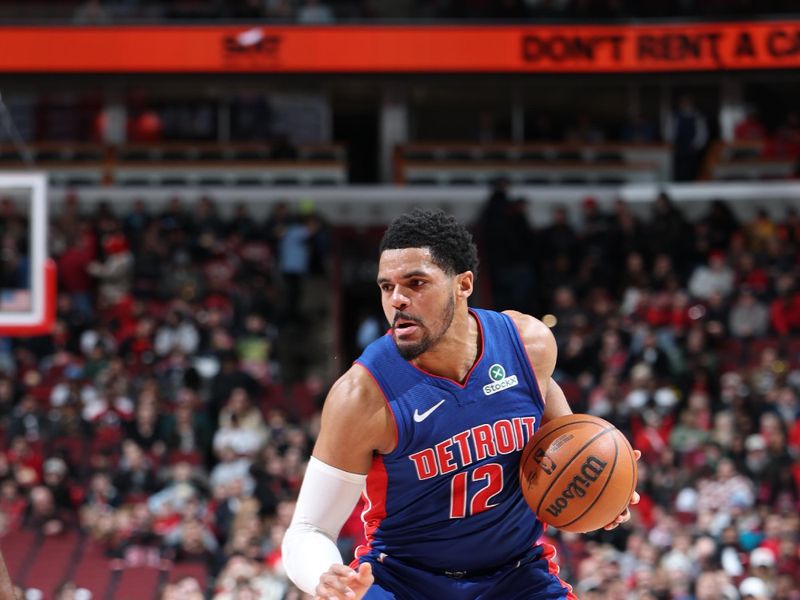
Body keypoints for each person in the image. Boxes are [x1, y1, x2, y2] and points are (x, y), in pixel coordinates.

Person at [281, 208, 639, 599]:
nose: (398, 299)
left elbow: (567, 447)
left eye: (415, 282)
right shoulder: (362, 396)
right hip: (405, 581)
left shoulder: (527, 345)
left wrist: (606, 491)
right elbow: (308, 530)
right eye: (387, 287)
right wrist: (325, 576)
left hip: (516, 576)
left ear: (463, 284)